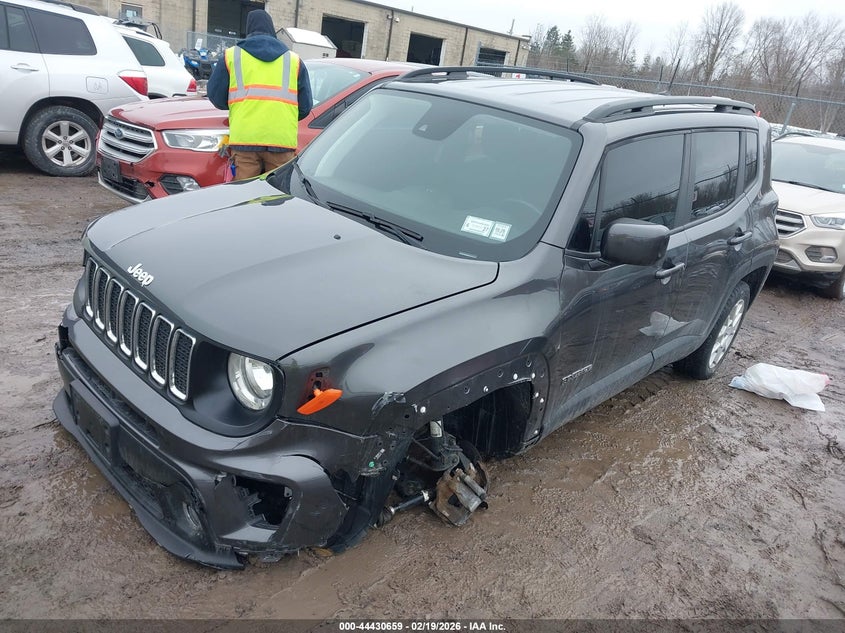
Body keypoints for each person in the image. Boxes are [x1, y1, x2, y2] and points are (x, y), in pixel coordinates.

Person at [207, 10, 312, 180]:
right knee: (276, 192)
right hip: (281, 141)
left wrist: (241, 105)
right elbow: (305, 107)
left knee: (245, 191)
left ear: (248, 29)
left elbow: (216, 97)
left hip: (245, 140)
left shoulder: (231, 56)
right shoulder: (294, 61)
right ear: (271, 28)